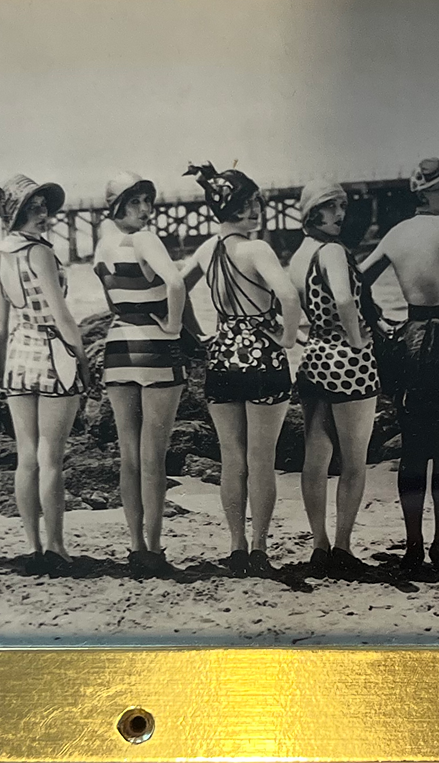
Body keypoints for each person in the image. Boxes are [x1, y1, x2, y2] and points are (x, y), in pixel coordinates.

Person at [358, 157, 439, 574]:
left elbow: (357, 280)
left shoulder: (398, 232)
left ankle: (413, 548)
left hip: (410, 342)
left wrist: (377, 321)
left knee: (413, 450)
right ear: (428, 194)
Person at [182, 163, 301, 576]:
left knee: (232, 460)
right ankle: (259, 548)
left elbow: (176, 288)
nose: (256, 210)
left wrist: (195, 334)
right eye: (249, 204)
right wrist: (288, 339)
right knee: (261, 459)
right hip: (263, 358)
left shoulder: (205, 250)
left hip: (222, 358)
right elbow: (289, 297)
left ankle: (236, 547)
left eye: (255, 203)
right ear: (231, 206)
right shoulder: (257, 249)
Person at [0, 175, 91, 575]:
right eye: (32, 208)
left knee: (27, 457)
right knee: (50, 458)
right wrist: (83, 359)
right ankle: (56, 547)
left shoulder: (1, 254)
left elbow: (0, 323)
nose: (42, 214)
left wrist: (1, 366)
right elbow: (61, 315)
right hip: (52, 356)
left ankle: (32, 546)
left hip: (19, 357)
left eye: (43, 206)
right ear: (16, 214)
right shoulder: (40, 252)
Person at [94, 172, 188, 576]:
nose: (145, 210)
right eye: (135, 202)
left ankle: (134, 547)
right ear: (118, 205)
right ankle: (152, 548)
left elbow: (112, 301)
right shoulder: (145, 239)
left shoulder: (102, 244)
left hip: (117, 348)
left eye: (147, 201)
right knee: (153, 456)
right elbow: (176, 282)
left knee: (129, 457)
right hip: (155, 349)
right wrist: (174, 326)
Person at [287, 180, 381, 577]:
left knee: (316, 458)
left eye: (342, 205)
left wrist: (309, 336)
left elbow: (288, 308)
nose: (340, 213)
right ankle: (342, 546)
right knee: (355, 462)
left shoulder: (300, 254)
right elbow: (344, 298)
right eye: (331, 206)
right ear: (313, 212)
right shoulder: (332, 251)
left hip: (314, 357)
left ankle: (319, 545)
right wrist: (358, 341)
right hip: (349, 361)